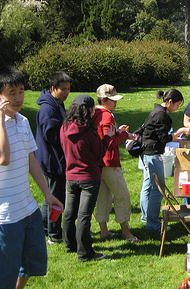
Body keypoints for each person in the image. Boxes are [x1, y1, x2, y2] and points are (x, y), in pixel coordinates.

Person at [0, 67, 63, 289]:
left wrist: (47, 194)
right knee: (3, 273)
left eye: (21, 91)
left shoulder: (23, 121)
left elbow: (31, 159)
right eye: (11, 93)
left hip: (28, 208)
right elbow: (2, 157)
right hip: (5, 214)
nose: (18, 98)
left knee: (32, 263)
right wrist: (0, 121)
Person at [60, 94, 115, 262]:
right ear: (89, 110)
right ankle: (85, 253)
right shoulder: (89, 132)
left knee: (69, 213)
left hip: (70, 176)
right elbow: (99, 155)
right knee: (84, 215)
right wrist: (108, 137)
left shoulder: (64, 128)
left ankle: (70, 244)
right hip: (89, 178)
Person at [140, 89, 190, 232]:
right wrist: (180, 131)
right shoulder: (161, 115)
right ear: (170, 102)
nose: (177, 108)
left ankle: (147, 218)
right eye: (177, 105)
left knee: (149, 186)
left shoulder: (157, 111)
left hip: (148, 152)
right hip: (153, 154)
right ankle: (153, 224)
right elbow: (164, 139)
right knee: (158, 189)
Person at [93, 84, 140, 243]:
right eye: (112, 100)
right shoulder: (106, 115)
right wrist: (124, 135)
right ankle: (126, 232)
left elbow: (105, 135)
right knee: (122, 197)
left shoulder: (95, 113)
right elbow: (108, 141)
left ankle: (104, 231)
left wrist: (118, 131)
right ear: (104, 100)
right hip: (110, 162)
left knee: (103, 198)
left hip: (98, 164)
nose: (116, 103)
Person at [36, 71, 72, 245]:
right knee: (56, 197)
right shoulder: (47, 109)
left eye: (68, 89)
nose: (66, 92)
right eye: (63, 89)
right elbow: (51, 134)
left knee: (51, 194)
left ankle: (44, 227)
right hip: (52, 159)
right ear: (53, 88)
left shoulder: (57, 104)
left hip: (56, 158)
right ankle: (54, 233)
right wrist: (69, 137)